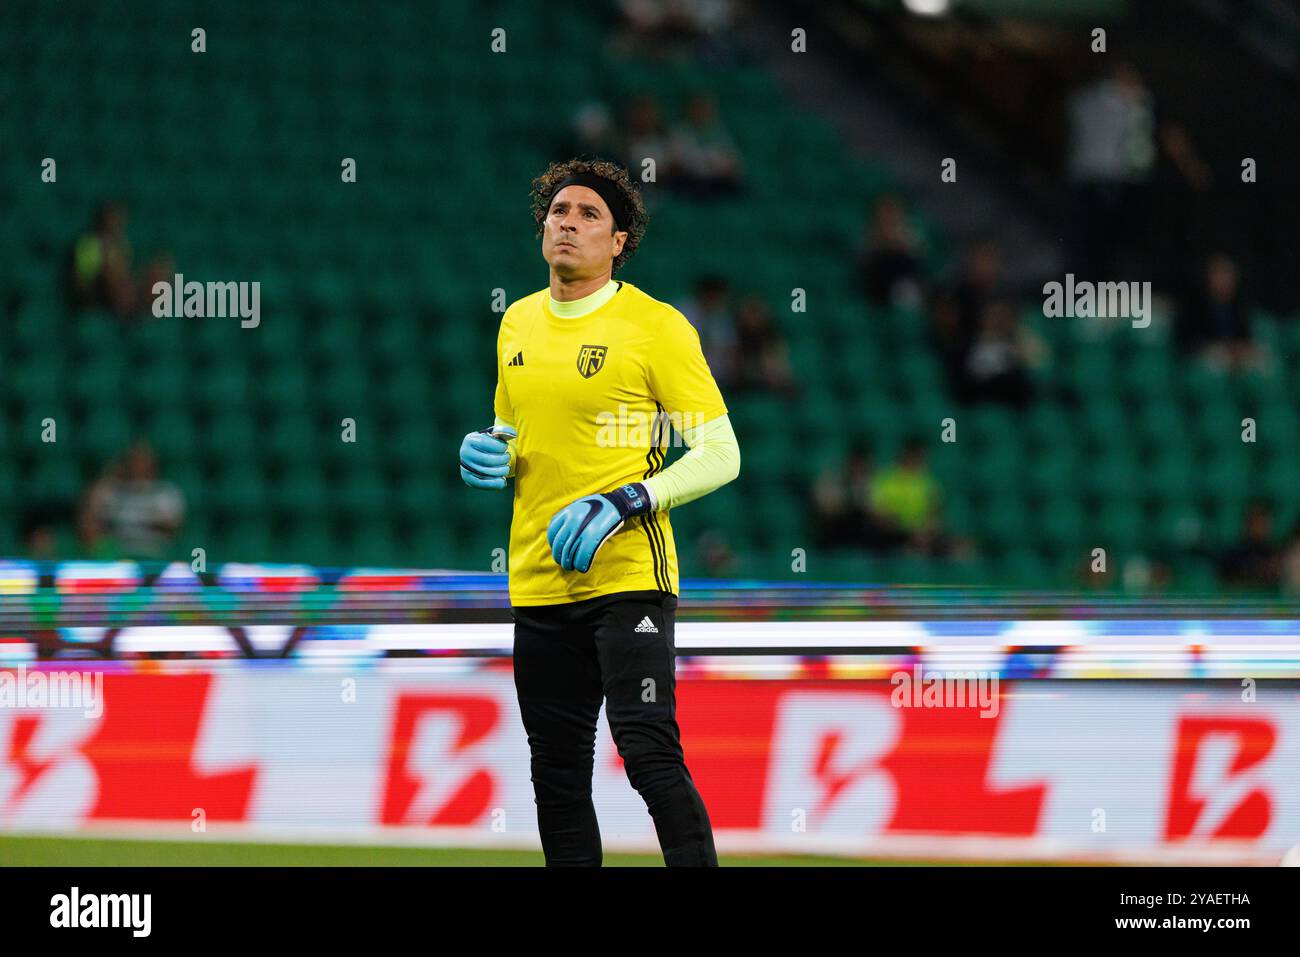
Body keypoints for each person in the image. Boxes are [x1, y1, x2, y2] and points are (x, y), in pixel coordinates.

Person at [458, 158, 741, 867]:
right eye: (559, 211)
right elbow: (512, 432)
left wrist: (631, 498)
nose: (569, 224)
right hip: (538, 578)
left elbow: (721, 451)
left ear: (619, 242)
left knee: (646, 749)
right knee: (555, 774)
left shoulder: (654, 326)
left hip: (627, 578)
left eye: (589, 216)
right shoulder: (518, 321)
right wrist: (489, 452)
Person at [79, 441, 186, 560]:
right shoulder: (111, 489)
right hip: (116, 552)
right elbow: (88, 518)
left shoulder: (166, 492)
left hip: (156, 551)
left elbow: (172, 529)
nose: (138, 466)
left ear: (153, 464)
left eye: (143, 462)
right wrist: (109, 475)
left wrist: (134, 522)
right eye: (134, 461)